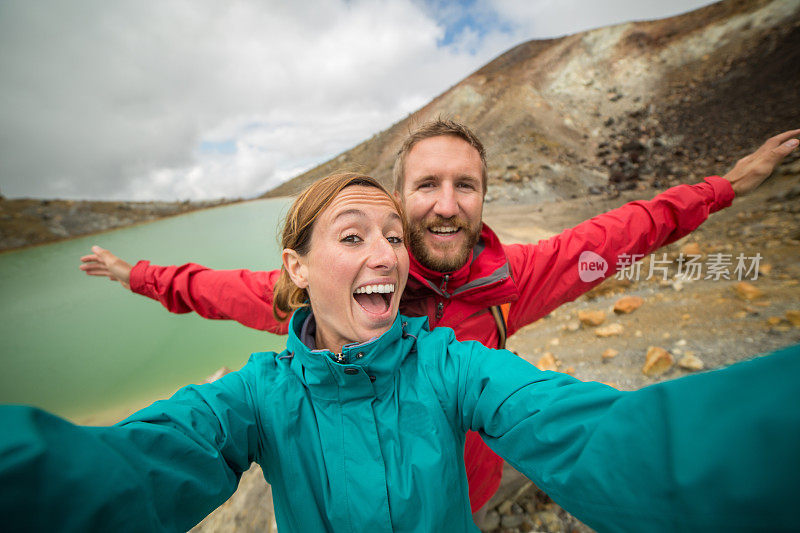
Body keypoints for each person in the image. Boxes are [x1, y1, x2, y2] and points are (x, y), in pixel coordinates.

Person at [7, 172, 800, 532]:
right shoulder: (260, 390)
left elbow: (599, 428)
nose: (439, 208)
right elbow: (137, 459)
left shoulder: (467, 337)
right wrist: (134, 273)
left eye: (466, 185)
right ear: (300, 268)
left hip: (467, 489)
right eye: (360, 234)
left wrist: (722, 187)